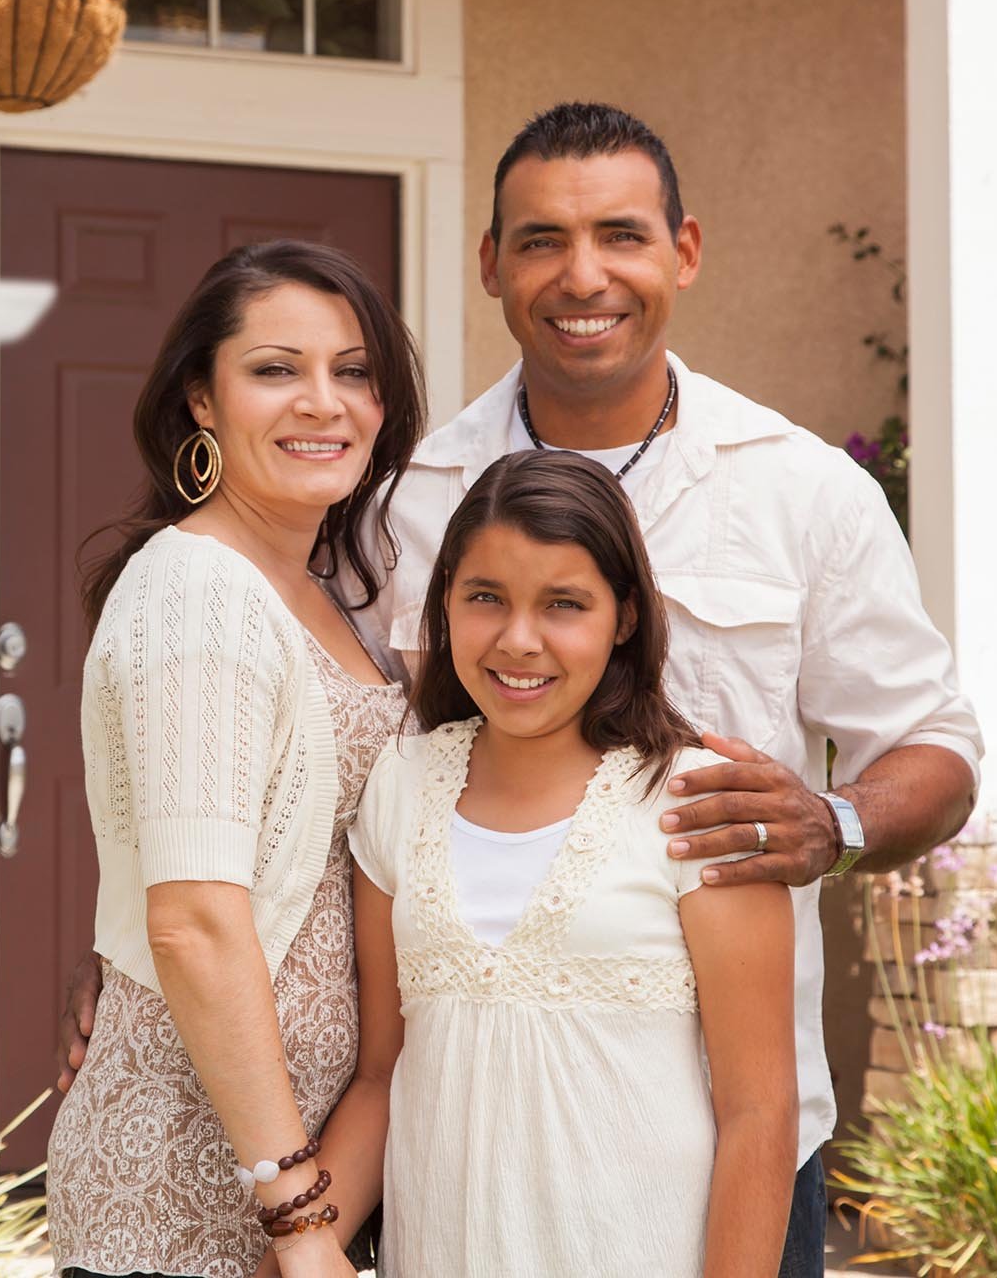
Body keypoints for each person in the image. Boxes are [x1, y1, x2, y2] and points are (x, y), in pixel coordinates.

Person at [59, 103, 983, 1278]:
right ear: (491, 264)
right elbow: (289, 764)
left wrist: (835, 822)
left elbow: (937, 746)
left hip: (735, 1143)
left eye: (622, 235)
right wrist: (151, 932)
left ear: (684, 252)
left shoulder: (803, 491)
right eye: (541, 239)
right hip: (440, 1152)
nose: (582, 274)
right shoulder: (396, 499)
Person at [45, 239, 426, 1278]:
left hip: (302, 1176)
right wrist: (299, 1219)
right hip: (186, 1189)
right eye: (275, 370)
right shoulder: (197, 591)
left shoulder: (328, 598)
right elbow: (196, 920)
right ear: (201, 404)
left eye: (353, 372)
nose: (323, 402)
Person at [333, 449, 796, 1273]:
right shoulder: (400, 786)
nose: (519, 641)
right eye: (485, 598)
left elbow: (759, 1115)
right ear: (444, 604)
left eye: (563, 605)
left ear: (623, 617)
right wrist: (301, 1240)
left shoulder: (697, 804)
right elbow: (379, 1075)